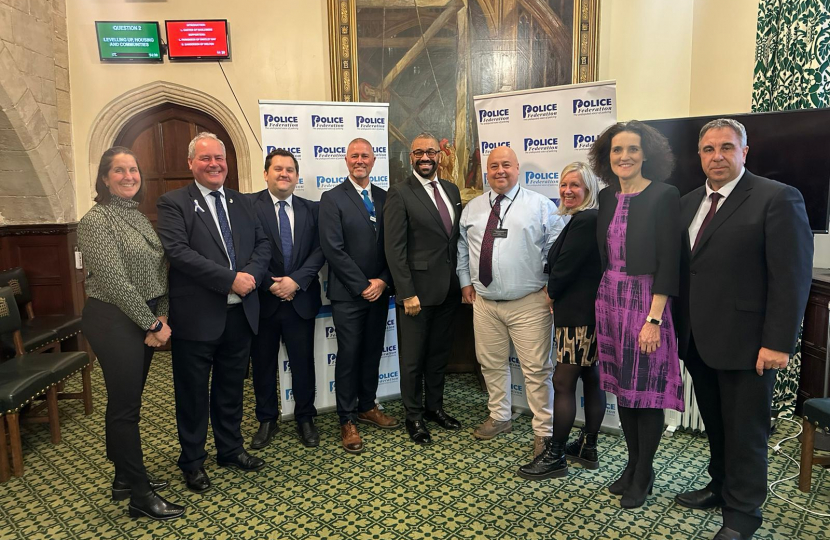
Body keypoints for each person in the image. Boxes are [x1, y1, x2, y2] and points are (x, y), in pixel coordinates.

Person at [674, 118, 813, 540]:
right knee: (716, 424)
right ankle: (720, 486)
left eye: (727, 148)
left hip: (750, 345)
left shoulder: (776, 197)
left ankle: (743, 514)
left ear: (744, 152)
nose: (717, 156)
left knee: (746, 432)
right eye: (709, 149)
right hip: (698, 340)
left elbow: (791, 277)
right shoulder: (687, 202)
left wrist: (777, 342)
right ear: (699, 156)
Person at [156, 132, 270, 493]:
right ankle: (192, 462)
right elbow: (179, 254)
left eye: (219, 158)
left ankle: (230, 449)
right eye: (205, 158)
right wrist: (230, 280)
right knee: (191, 394)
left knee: (231, 388)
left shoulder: (243, 202)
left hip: (240, 316)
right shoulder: (173, 203)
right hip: (197, 318)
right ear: (191, 163)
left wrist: (250, 275)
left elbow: (263, 244)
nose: (215, 164)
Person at [78, 147, 184, 520]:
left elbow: (159, 271)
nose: (128, 176)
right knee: (126, 408)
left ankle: (124, 477)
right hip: (112, 319)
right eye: (118, 171)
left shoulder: (137, 215)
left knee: (127, 403)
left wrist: (162, 316)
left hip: (144, 319)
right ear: (104, 179)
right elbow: (116, 283)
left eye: (133, 169)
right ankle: (140, 496)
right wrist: (153, 325)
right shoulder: (95, 221)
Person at [588, 120, 683, 509]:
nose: (624, 156)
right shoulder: (607, 196)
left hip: (647, 301)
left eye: (632, 149)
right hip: (610, 297)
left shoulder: (665, 194)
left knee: (648, 392)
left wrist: (654, 319)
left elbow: (669, 261)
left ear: (646, 154)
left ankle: (644, 472)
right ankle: (632, 465)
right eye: (616, 150)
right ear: (606, 157)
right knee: (625, 390)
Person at [457, 145, 564, 457]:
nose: (500, 171)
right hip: (485, 303)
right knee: (490, 363)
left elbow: (557, 251)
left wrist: (551, 286)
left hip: (529, 302)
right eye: (494, 166)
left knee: (536, 370)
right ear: (486, 172)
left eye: (506, 165)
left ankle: (544, 432)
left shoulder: (541, 206)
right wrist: (465, 282)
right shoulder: (474, 208)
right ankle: (500, 416)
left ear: (518, 169)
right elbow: (463, 249)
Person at [518, 162, 605, 480]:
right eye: (564, 184)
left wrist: (551, 293)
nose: (567, 191)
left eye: (575, 186)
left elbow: (564, 268)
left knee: (563, 383)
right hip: (591, 315)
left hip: (578, 318)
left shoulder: (585, 219)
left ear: (589, 190)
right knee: (592, 378)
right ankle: (588, 448)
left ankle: (555, 456)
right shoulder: (588, 218)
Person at [319, 137, 399, 454]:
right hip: (349, 295)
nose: (360, 160)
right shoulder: (332, 198)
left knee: (372, 353)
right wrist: (364, 284)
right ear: (346, 160)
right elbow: (332, 250)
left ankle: (367, 407)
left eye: (365, 155)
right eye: (355, 156)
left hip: (380, 292)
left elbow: (395, 247)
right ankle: (347, 418)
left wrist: (382, 281)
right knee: (349, 356)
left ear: (374, 160)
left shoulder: (385, 197)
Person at [384, 132, 463, 444]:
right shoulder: (399, 193)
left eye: (431, 152)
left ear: (439, 156)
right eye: (419, 153)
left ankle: (434, 408)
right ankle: (414, 416)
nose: (425, 157)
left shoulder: (451, 189)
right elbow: (394, 249)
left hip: (449, 290)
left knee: (438, 355)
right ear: (410, 156)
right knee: (413, 359)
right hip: (416, 293)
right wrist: (406, 293)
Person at [248, 149, 325, 449]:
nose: (284, 174)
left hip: (300, 300)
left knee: (303, 363)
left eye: (290, 169)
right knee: (263, 364)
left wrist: (296, 281)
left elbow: (321, 250)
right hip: (263, 302)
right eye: (278, 169)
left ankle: (305, 417)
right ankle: (267, 420)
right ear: (265, 174)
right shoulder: (248, 207)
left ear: (296, 176)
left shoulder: (312, 210)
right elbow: (245, 252)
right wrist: (270, 284)